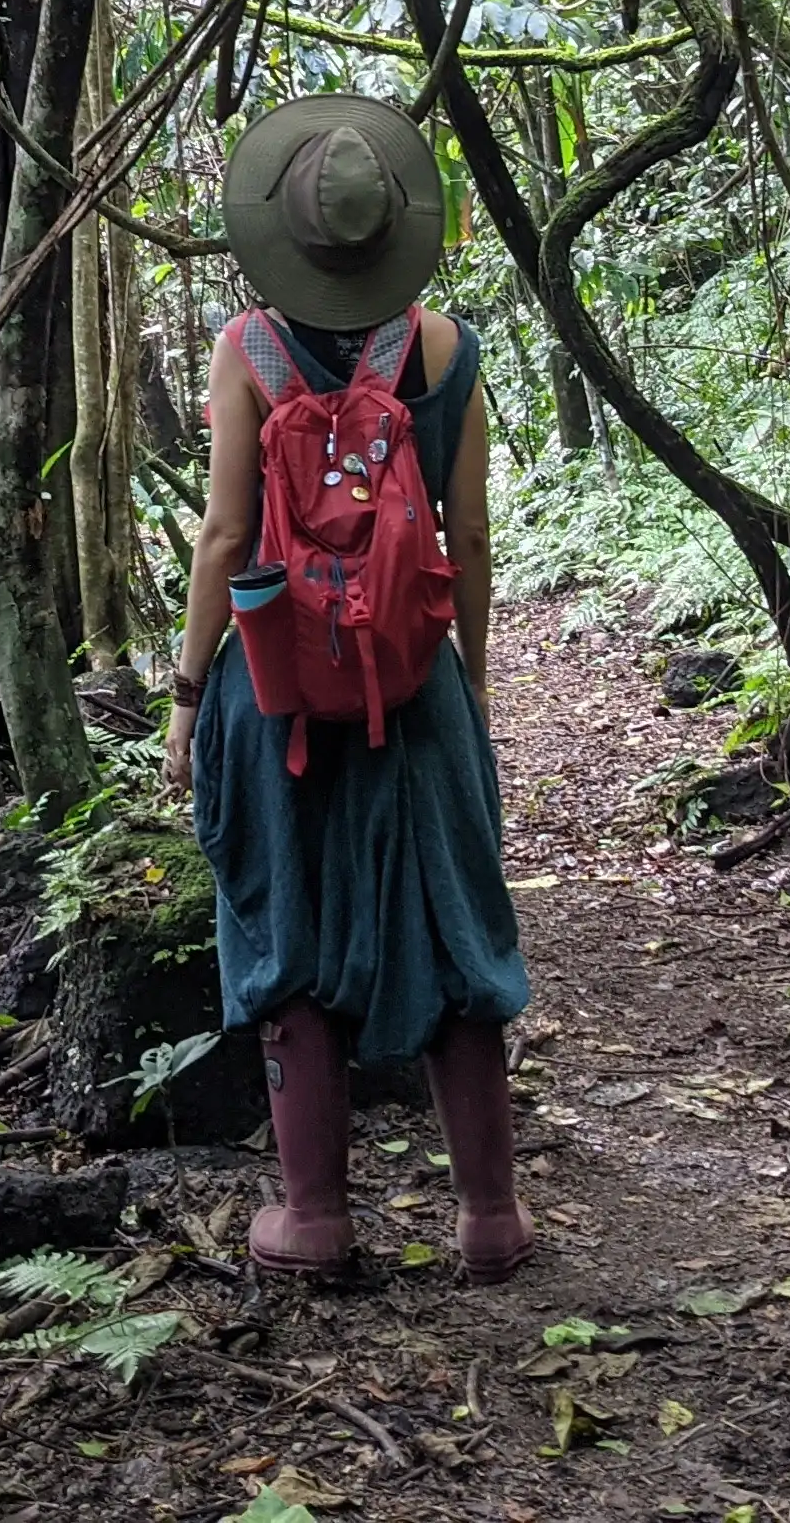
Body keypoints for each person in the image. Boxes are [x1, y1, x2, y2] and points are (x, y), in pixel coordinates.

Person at [163, 95, 535, 1282]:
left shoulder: (247, 352)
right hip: (410, 676)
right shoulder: (445, 350)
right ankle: (488, 1217)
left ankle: (313, 1219)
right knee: (452, 917)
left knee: (285, 919)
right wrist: (464, 685)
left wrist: (184, 700)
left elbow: (225, 536)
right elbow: (464, 535)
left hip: (274, 686)